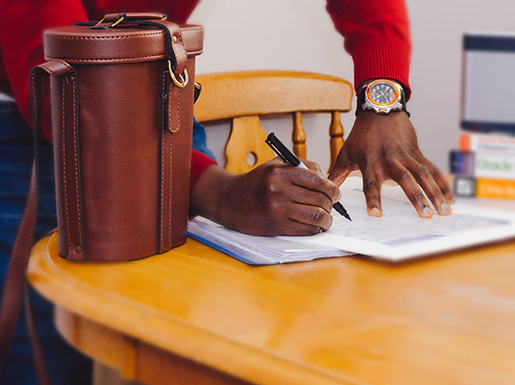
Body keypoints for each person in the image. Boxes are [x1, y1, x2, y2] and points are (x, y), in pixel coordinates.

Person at [0, 0, 454, 384]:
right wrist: (216, 193)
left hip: (153, 91)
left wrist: (383, 97)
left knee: (182, 329)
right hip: (33, 115)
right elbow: (54, 78)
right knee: (40, 349)